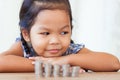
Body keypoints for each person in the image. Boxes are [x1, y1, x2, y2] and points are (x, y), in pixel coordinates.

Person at [0, 0, 120, 72]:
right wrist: (50, 66)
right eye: (45, 33)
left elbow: (113, 63)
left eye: (64, 32)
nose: (55, 41)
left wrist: (65, 60)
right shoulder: (24, 46)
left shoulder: (70, 50)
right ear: (26, 34)